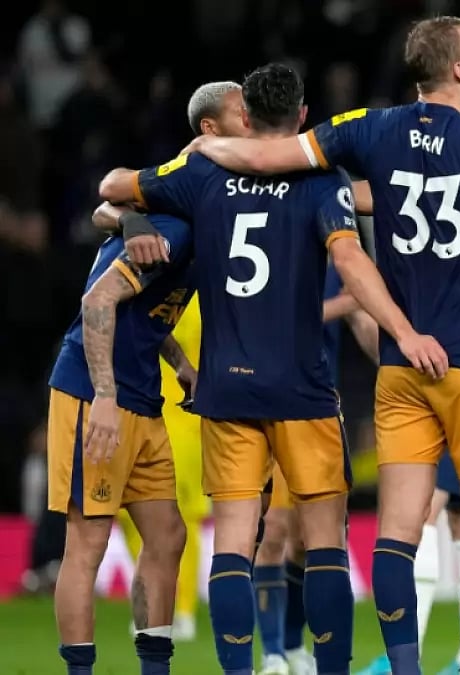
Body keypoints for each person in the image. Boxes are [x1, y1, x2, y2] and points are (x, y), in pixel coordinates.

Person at [182, 16, 460, 675]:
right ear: (459, 70)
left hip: (402, 362)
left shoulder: (369, 127)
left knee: (397, 533)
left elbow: (269, 159)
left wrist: (193, 159)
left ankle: (404, 668)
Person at [98, 62, 418, 675]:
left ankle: (243, 670)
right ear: (301, 118)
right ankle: (329, 669)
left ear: (246, 118)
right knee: (325, 543)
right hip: (302, 386)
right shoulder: (321, 178)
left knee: (235, 548)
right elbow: (353, 255)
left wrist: (135, 213)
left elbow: (113, 187)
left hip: (225, 389)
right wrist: (402, 329)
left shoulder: (201, 173)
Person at [114, 79, 248, 644]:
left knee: (184, 505)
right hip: (153, 366)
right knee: (135, 506)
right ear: (209, 131)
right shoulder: (179, 181)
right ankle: (155, 602)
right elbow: (112, 196)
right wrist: (131, 219)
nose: (253, 121)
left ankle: (181, 608)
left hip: (195, 368)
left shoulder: (242, 179)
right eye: (242, 113)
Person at [47, 202, 196, 674]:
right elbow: (97, 302)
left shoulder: (172, 228)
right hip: (95, 396)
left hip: (143, 396)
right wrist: (105, 398)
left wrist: (179, 362)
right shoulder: (172, 231)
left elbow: (144, 315)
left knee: (168, 534)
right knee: (88, 540)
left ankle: (154, 668)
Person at [255, 266, 379, 675]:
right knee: (272, 531)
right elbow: (272, 318)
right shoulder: (269, 239)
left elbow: (368, 331)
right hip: (265, 402)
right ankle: (271, 652)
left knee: (308, 541)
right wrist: (346, 302)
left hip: (322, 408)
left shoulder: (338, 257)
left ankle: (291, 644)